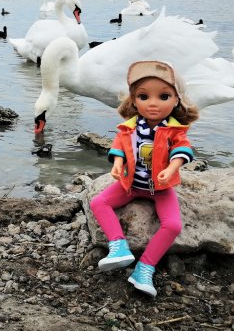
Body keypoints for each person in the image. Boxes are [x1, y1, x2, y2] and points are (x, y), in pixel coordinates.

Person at [89, 60, 199, 297]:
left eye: (163, 96)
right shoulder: (128, 129)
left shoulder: (174, 130)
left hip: (160, 188)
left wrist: (171, 169)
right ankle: (118, 246)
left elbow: (183, 151)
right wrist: (118, 164)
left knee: (173, 225)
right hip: (130, 184)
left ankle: (144, 268)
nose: (152, 104)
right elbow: (119, 147)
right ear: (133, 100)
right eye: (143, 96)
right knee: (99, 202)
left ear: (177, 100)